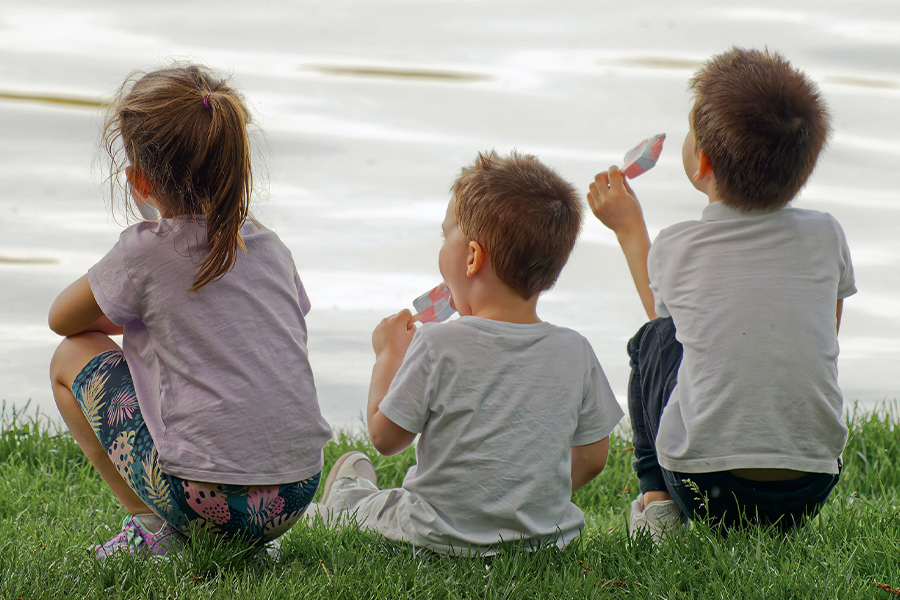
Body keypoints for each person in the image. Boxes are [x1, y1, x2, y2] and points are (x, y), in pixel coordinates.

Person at [48, 65, 332, 558]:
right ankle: (248, 543)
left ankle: (152, 529)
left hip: (203, 500)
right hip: (295, 492)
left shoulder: (143, 253)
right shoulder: (271, 247)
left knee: (68, 359)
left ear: (138, 179)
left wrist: (137, 312)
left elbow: (62, 320)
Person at [588, 47, 856, 540]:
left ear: (703, 162)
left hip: (703, 484)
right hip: (810, 485)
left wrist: (630, 229)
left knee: (652, 342)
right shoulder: (827, 235)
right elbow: (826, 333)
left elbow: (669, 328)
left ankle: (656, 501)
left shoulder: (678, 244)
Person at [307, 150, 624, 555]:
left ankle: (345, 496)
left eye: (445, 236)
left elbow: (385, 438)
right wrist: (527, 498)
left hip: (435, 532)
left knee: (363, 509)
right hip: (543, 539)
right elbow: (594, 457)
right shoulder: (576, 351)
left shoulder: (438, 344)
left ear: (472, 257)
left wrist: (389, 354)